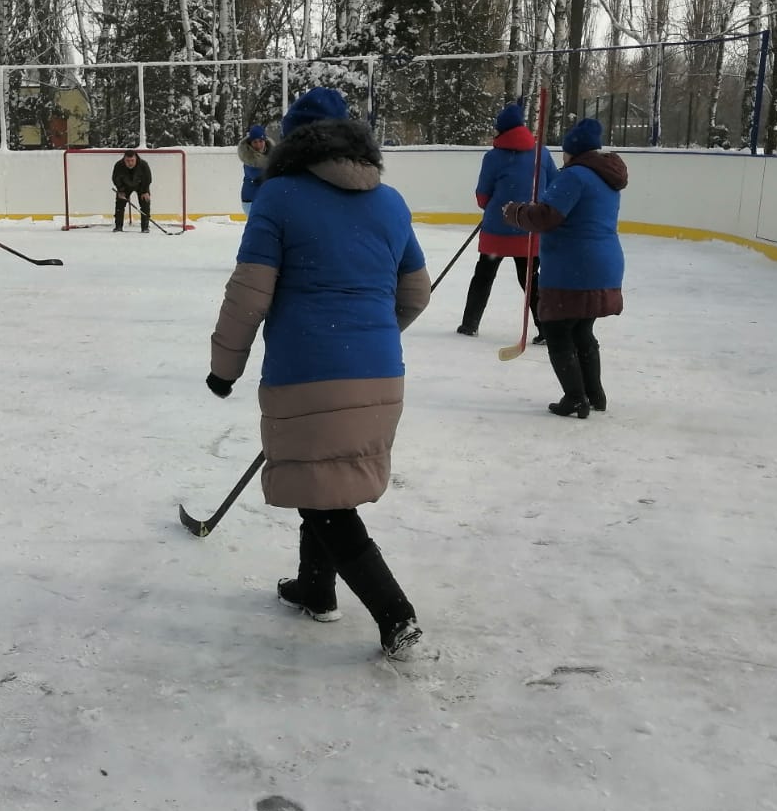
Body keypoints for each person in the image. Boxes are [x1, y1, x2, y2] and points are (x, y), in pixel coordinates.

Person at [205, 86, 431, 660]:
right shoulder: (391, 202)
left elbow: (248, 294)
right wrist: (370, 340)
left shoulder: (279, 196)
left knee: (326, 504)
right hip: (381, 372)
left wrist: (224, 369)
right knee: (322, 482)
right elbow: (416, 294)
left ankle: (395, 616)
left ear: (293, 142)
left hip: (306, 371)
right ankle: (315, 589)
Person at [502, 118, 626, 420]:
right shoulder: (604, 177)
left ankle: (574, 397)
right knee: (582, 329)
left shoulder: (574, 176)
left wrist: (515, 212)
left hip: (574, 267)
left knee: (557, 330)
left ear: (572, 151)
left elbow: (546, 217)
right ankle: (594, 394)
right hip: (604, 264)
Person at [457, 102, 558, 337]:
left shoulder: (493, 157)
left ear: (501, 130)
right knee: (530, 280)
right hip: (530, 228)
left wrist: (496, 207)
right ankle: (546, 329)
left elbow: (483, 196)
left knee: (483, 276)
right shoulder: (542, 153)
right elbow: (554, 186)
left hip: (497, 229)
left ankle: (470, 324)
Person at [112, 148, 152, 232]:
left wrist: (145, 191)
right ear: (124, 159)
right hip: (124, 186)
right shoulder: (119, 165)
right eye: (127, 161)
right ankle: (118, 226)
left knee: (145, 203)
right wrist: (120, 190)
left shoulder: (143, 165)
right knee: (120, 204)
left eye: (132, 160)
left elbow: (148, 178)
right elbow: (116, 179)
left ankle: (145, 227)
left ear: (136, 158)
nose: (130, 163)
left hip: (141, 185)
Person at [237, 123, 272, 215]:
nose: (258, 144)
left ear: (265, 141)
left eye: (260, 141)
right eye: (255, 142)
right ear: (250, 143)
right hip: (251, 201)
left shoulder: (271, 155)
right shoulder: (249, 159)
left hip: (264, 199)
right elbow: (259, 177)